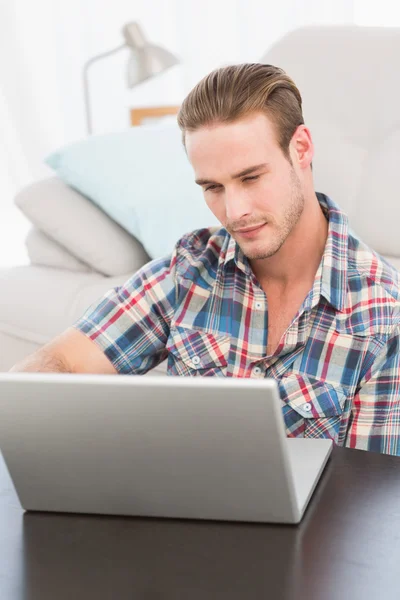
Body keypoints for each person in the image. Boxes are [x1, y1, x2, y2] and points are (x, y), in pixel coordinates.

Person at [10, 63, 400, 455]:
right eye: (213, 187)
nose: (234, 211)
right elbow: (55, 366)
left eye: (250, 178)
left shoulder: (383, 315)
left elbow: (369, 494)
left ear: (300, 148)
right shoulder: (189, 270)